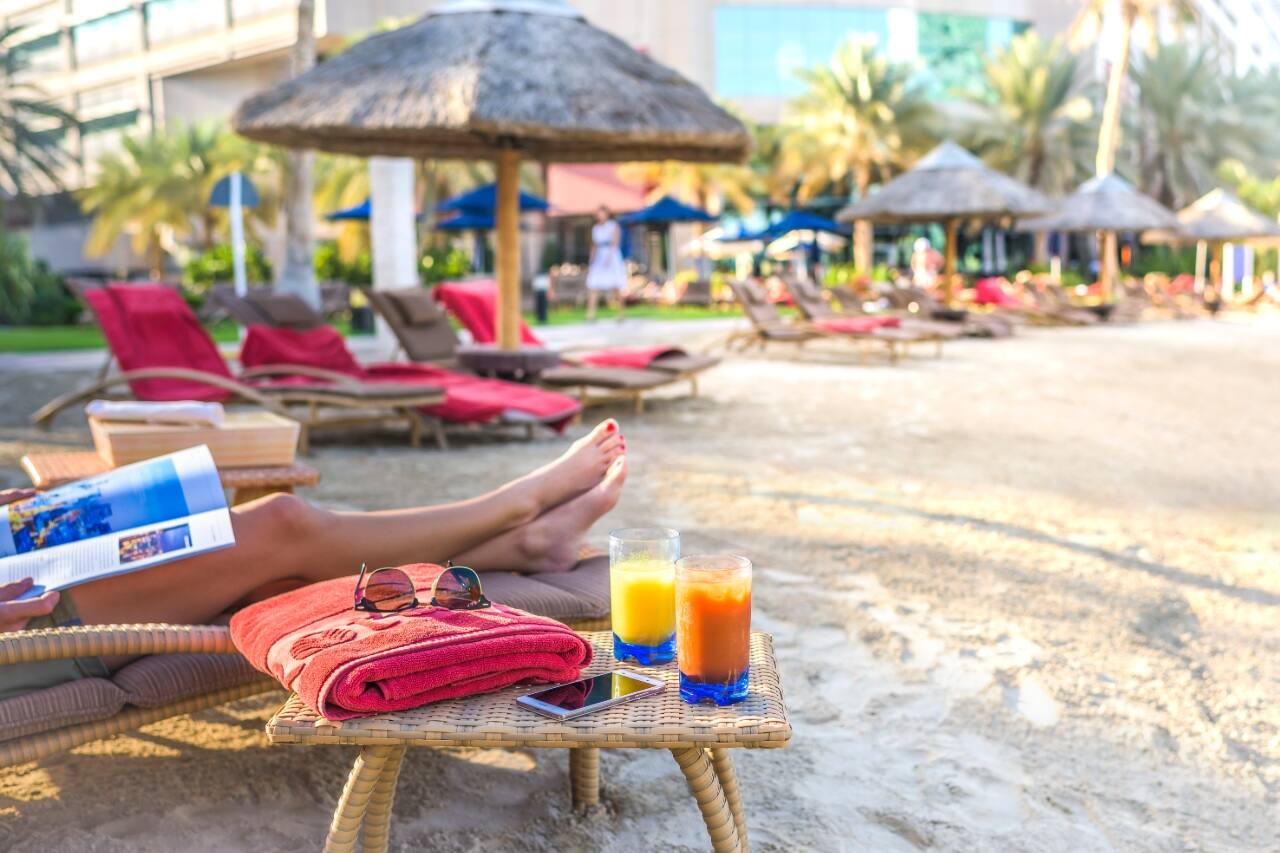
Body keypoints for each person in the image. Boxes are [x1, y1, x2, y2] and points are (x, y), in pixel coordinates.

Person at [0, 420, 628, 699]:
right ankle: (515, 507)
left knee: (279, 572)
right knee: (283, 524)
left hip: (19, 559)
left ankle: (520, 544)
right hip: (28, 621)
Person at [585, 206, 627, 322]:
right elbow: (594, 245)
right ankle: (591, 314)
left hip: (612, 257)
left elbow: (615, 242)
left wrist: (608, 258)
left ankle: (621, 313)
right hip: (599, 257)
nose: (601, 216)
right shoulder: (595, 228)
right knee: (594, 286)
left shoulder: (613, 225)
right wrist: (591, 259)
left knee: (616, 286)